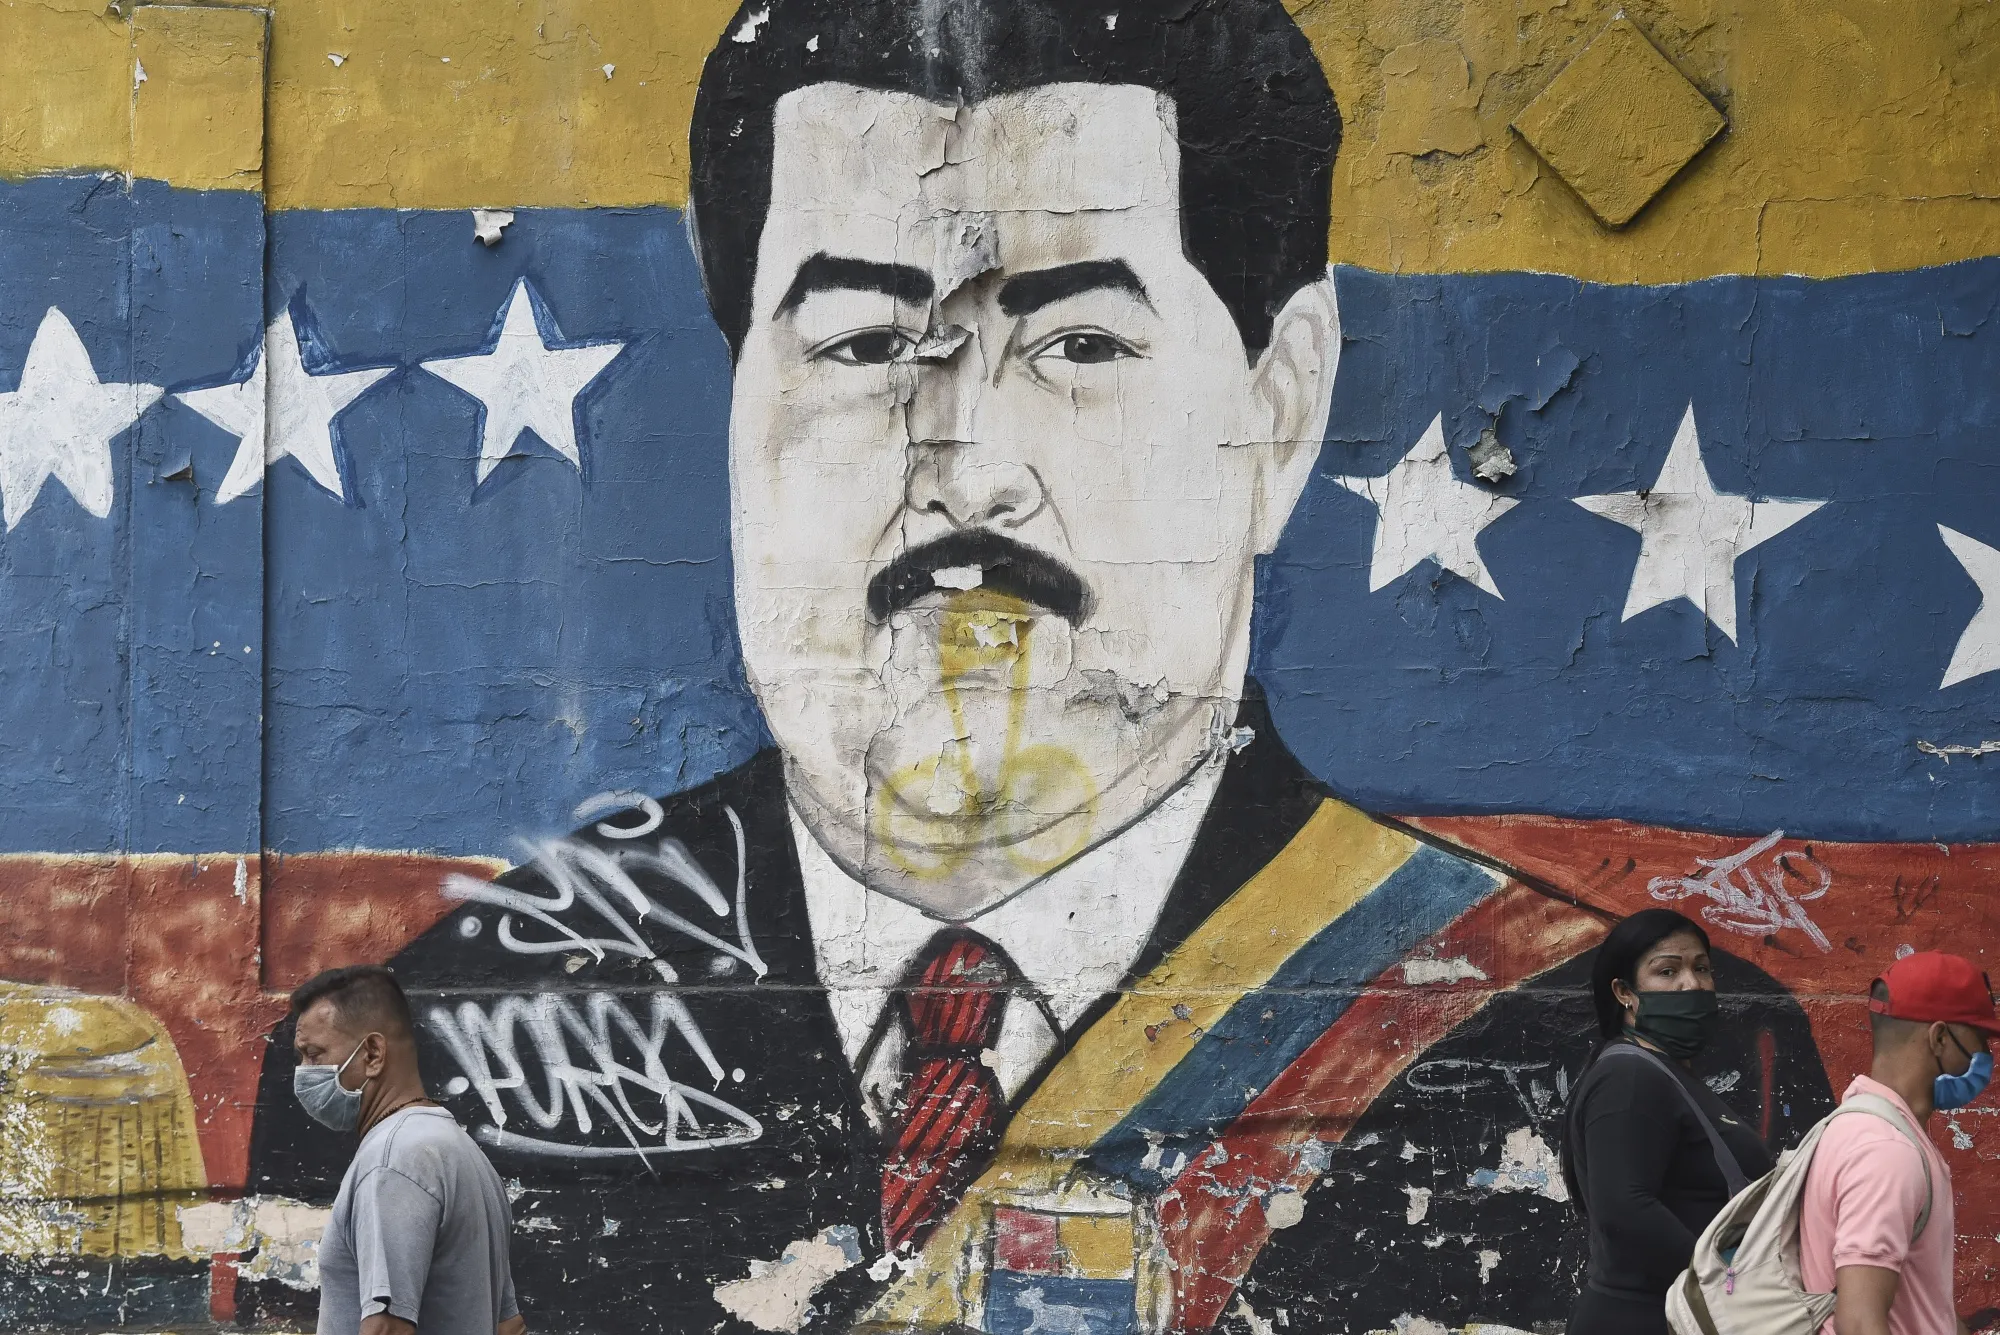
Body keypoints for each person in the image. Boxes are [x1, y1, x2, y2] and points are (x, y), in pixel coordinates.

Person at [247, 1, 1831, 1329]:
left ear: (1279, 407)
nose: (965, 465)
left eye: (1077, 345)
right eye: (864, 346)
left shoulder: (1582, 1031)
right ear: (738, 408)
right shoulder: (446, 1028)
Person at [1562, 908, 1773, 1335]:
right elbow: (1625, 1210)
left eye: (1701, 968)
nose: (1691, 984)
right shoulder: (1630, 1076)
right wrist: (1726, 1283)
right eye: (1667, 971)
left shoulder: (1664, 1074)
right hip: (1650, 1317)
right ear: (1624, 991)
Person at [290, 965, 526, 1335]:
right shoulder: (461, 1150)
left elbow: (387, 1328)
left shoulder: (392, 1163)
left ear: (372, 1053)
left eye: (314, 1054)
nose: (304, 1071)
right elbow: (509, 1326)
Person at [1800, 952, 1997, 1335]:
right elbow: (1859, 1323)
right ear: (1940, 1038)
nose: (1985, 1058)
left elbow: (1915, 1304)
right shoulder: (1886, 1151)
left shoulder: (1858, 1123)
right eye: (1979, 1041)